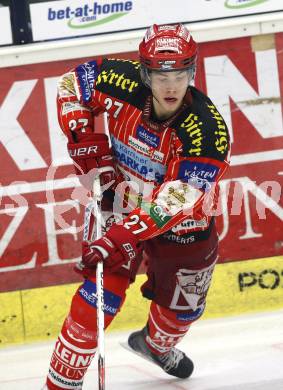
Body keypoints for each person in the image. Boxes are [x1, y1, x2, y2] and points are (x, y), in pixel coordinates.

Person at [44, 23, 230, 389]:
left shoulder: (207, 131)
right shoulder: (120, 79)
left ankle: (155, 346)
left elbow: (178, 200)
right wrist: (82, 136)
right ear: (144, 73)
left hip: (183, 224)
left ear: (192, 71)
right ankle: (59, 385)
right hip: (116, 200)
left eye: (180, 74)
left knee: (182, 311)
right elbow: (70, 83)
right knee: (98, 297)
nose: (171, 86)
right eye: (161, 76)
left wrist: (121, 235)